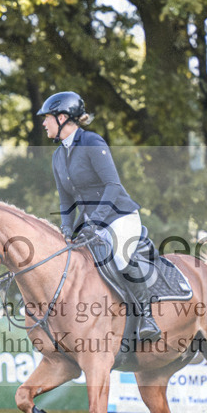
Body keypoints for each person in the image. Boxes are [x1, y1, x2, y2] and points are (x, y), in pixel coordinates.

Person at [37, 91, 160, 341]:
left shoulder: (92, 142)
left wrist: (96, 221)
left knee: (121, 258)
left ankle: (147, 317)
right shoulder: (58, 156)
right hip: (91, 224)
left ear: (62, 118)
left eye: (47, 118)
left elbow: (113, 186)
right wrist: (67, 229)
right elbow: (66, 199)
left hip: (120, 216)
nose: (43, 123)